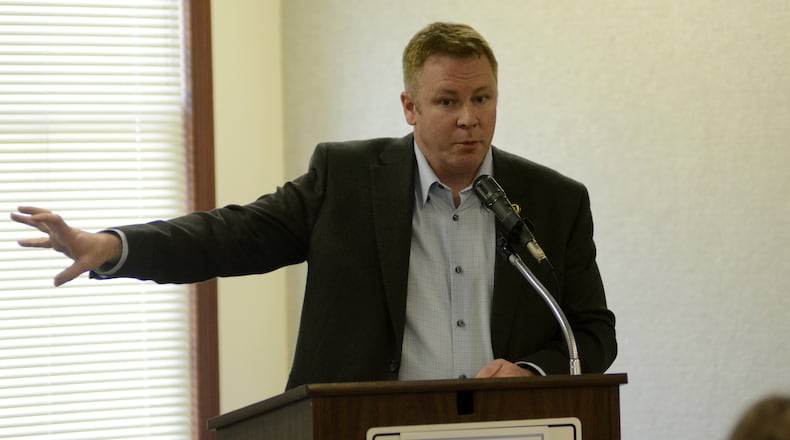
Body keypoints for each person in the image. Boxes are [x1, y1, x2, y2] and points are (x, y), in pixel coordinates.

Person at [11, 22, 617, 389]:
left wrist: (534, 373)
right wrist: (112, 247)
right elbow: (237, 234)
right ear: (409, 107)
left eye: (482, 97)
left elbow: (591, 333)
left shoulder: (552, 201)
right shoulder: (349, 180)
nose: (469, 118)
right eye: (447, 101)